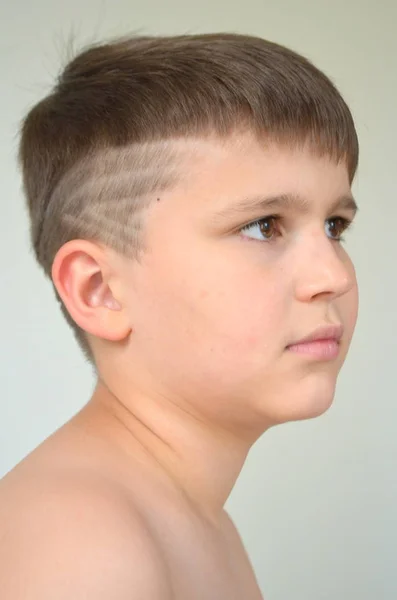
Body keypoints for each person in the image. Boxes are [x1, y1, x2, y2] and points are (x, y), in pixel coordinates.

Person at [0, 32, 359, 599]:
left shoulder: (194, 521)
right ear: (99, 291)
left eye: (335, 226)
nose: (334, 276)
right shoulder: (83, 550)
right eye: (264, 225)